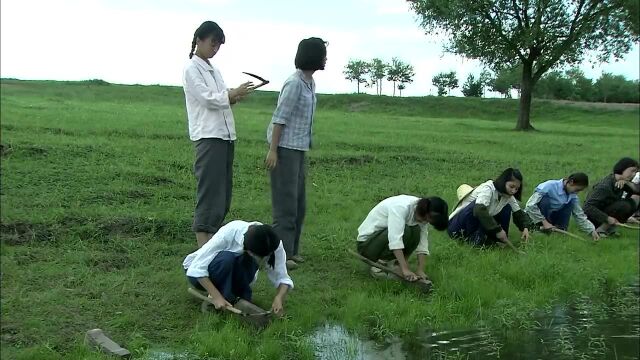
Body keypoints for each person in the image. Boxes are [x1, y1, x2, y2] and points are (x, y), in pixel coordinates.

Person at [183, 21, 255, 247]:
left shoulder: (214, 70)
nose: (215, 49)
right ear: (199, 40)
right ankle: (203, 248)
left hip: (224, 136)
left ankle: (211, 242)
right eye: (212, 43)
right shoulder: (191, 69)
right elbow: (207, 98)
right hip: (209, 137)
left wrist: (233, 96)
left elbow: (220, 98)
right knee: (210, 191)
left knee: (223, 192)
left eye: (218, 45)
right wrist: (231, 94)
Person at [265, 37, 327, 270]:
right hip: (285, 149)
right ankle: (280, 255)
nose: (325, 59)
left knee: (299, 204)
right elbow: (279, 119)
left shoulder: (309, 82)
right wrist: (273, 150)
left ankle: (292, 250)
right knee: (285, 205)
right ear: (312, 56)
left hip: (299, 149)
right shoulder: (293, 84)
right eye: (322, 54)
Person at [183, 221, 293, 315]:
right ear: (248, 249)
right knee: (227, 258)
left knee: (248, 262)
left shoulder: (273, 243)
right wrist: (217, 297)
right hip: (201, 275)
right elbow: (196, 268)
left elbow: (282, 277)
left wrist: (279, 298)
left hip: (230, 272)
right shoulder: (230, 232)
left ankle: (236, 299)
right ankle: (216, 298)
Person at [356, 195, 449, 282]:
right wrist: (405, 269)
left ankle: (397, 264)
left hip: (383, 240)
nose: (425, 222)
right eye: (426, 219)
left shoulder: (424, 211)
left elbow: (422, 242)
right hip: (367, 246)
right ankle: (380, 265)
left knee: (416, 231)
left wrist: (420, 270)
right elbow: (395, 240)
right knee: (407, 229)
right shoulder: (401, 208)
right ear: (425, 213)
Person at [448, 168, 532, 247]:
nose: (513, 191)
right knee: (478, 207)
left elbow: (518, 212)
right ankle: (474, 238)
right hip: (458, 226)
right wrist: (497, 230)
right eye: (511, 186)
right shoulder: (488, 188)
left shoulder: (508, 196)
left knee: (507, 207)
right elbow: (479, 210)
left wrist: (525, 228)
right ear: (503, 182)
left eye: (516, 189)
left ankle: (499, 239)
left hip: (478, 222)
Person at [524, 173, 599, 241]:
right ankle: (539, 229)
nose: (576, 193)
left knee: (570, 204)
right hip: (537, 217)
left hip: (552, 216)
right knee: (545, 201)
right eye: (577, 189)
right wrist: (544, 222)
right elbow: (530, 206)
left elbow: (579, 214)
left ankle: (560, 230)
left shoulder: (572, 196)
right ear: (571, 182)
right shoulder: (549, 186)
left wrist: (591, 230)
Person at [583, 158, 640, 237]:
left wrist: (627, 183)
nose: (634, 174)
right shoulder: (605, 186)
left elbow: (637, 191)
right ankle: (600, 230)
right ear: (622, 168)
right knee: (624, 205)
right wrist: (607, 218)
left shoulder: (621, 182)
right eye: (632, 171)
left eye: (636, 172)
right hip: (593, 217)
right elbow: (587, 207)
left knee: (632, 203)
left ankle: (608, 229)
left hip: (605, 212)